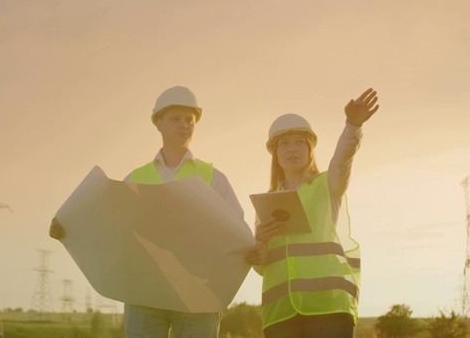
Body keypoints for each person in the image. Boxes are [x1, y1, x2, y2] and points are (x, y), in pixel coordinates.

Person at [49, 85, 244, 338]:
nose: (184, 125)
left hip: (198, 298)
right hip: (144, 296)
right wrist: (69, 228)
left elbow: (237, 232)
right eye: (175, 119)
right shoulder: (136, 178)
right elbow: (110, 228)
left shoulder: (214, 178)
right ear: (158, 123)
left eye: (189, 120)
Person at [244, 88, 380, 338]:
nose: (291, 149)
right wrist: (259, 243)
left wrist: (352, 126)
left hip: (328, 307)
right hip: (281, 313)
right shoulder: (265, 202)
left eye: (299, 142)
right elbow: (262, 267)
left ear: (310, 149)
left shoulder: (328, 185)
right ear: (275, 153)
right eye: (283, 143)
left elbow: (343, 160)